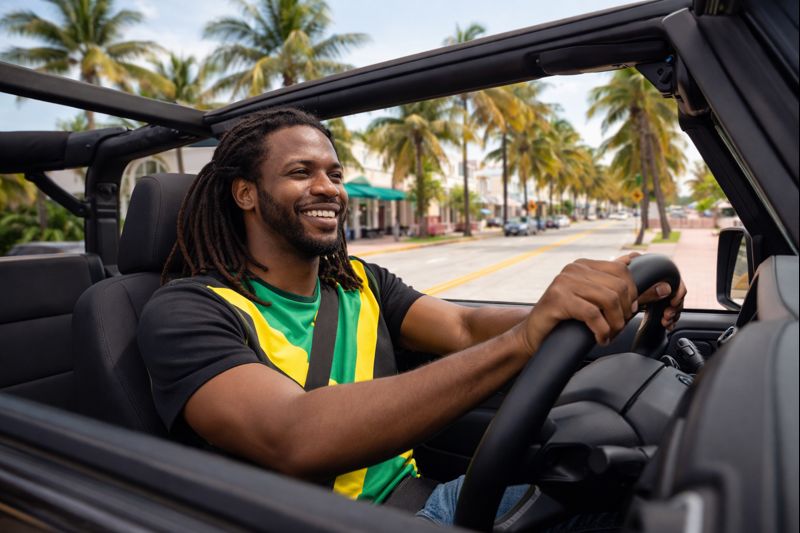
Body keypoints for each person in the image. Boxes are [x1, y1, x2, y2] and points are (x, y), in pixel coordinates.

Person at [138, 107, 686, 525]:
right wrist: (523, 340)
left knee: (645, 491)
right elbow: (292, 435)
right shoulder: (188, 310)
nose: (327, 187)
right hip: (321, 523)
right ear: (245, 194)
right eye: (300, 172)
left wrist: (588, 302)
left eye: (334, 172)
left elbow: (461, 327)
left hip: (425, 501)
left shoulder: (359, 282)